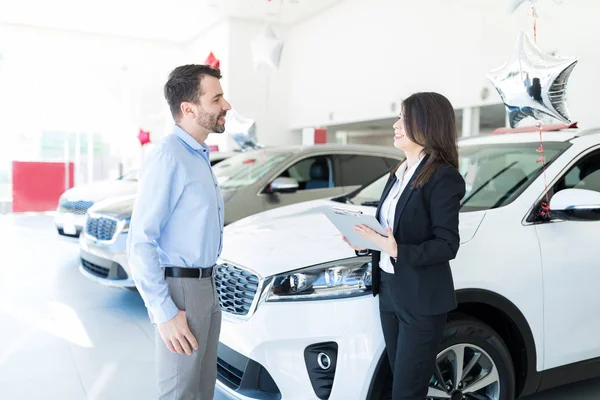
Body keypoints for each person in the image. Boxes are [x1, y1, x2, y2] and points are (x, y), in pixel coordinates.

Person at [342, 92, 466, 399]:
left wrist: (397, 250)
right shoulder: (398, 174)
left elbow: (447, 244)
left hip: (422, 300)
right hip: (390, 291)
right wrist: (365, 243)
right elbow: (390, 233)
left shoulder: (443, 177)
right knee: (401, 380)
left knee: (406, 391)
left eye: (403, 117)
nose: (396, 124)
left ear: (425, 124)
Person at [127, 64, 231, 399]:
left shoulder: (198, 155)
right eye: (216, 99)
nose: (226, 105)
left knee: (202, 390)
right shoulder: (169, 156)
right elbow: (141, 241)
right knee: (179, 393)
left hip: (206, 286)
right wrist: (164, 312)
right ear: (188, 109)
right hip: (181, 291)